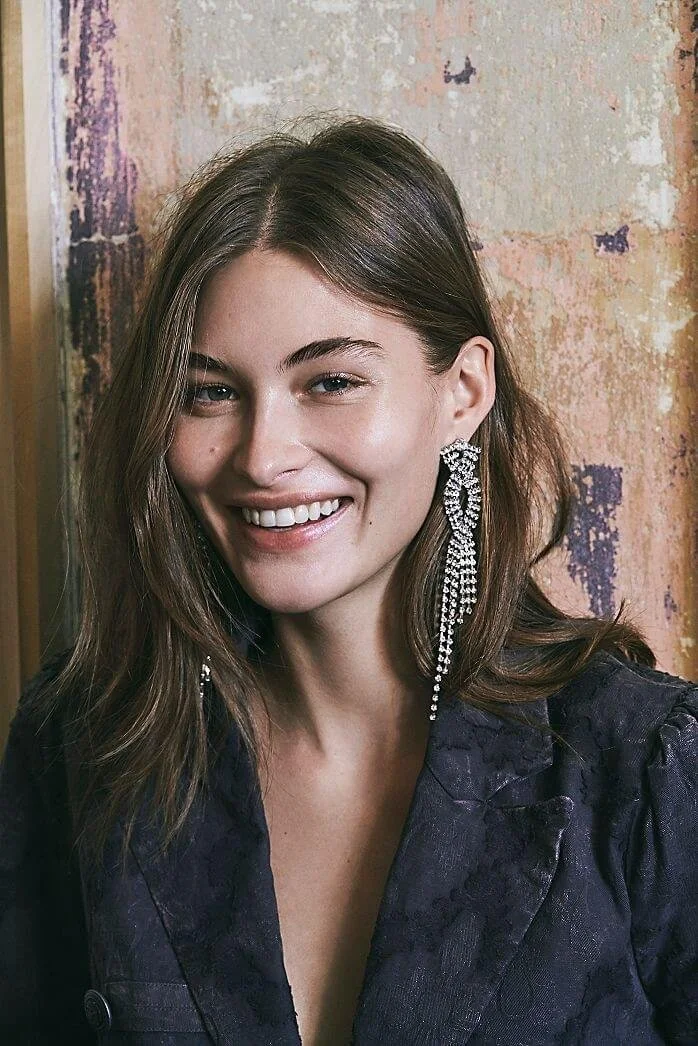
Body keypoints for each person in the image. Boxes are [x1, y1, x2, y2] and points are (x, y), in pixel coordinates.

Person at [0, 116, 696, 1046]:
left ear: (463, 392)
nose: (264, 455)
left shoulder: (641, 770)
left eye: (330, 381)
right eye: (211, 392)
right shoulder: (82, 750)